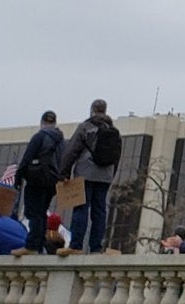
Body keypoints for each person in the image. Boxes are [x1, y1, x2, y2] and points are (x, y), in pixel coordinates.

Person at [59, 100, 119, 254]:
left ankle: (76, 245)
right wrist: (111, 176)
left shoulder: (85, 127)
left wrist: (64, 172)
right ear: (105, 111)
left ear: (92, 110)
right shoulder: (113, 130)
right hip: (105, 176)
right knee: (99, 211)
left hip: (85, 173)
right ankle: (96, 247)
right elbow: (116, 157)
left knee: (81, 208)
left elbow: (71, 151)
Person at [15, 111, 64, 252]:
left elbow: (26, 158)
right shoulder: (61, 141)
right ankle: (40, 242)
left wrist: (18, 178)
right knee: (42, 212)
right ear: (55, 123)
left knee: (34, 213)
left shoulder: (39, 137)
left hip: (37, 180)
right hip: (53, 182)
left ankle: (32, 245)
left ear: (42, 122)